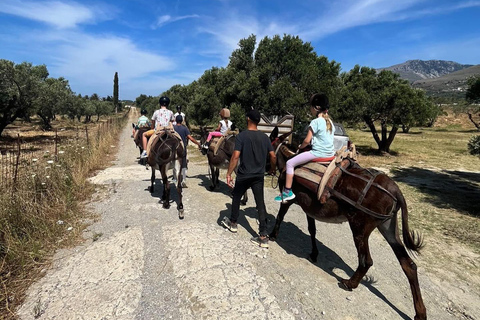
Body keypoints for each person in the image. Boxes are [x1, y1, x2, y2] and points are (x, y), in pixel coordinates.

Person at [221, 109, 276, 248]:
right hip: (258, 175)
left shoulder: (242, 136)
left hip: (244, 174)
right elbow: (273, 156)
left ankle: (233, 223)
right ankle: (263, 236)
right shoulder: (265, 137)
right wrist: (272, 169)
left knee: (236, 197)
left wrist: (229, 174)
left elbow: (235, 156)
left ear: (248, 119)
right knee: (260, 202)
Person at [274, 93, 335, 202]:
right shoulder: (330, 122)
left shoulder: (315, 122)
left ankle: (287, 191)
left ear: (316, 108)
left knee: (289, 163)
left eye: (311, 107)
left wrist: (300, 146)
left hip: (318, 153)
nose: (310, 109)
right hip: (330, 154)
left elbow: (307, 140)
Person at [172, 115, 201, 187]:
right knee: (184, 162)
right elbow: (190, 138)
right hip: (182, 147)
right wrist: (197, 143)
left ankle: (175, 178)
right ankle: (184, 179)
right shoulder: (184, 129)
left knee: (174, 161)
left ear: (175, 120)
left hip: (174, 147)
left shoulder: (173, 128)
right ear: (182, 121)